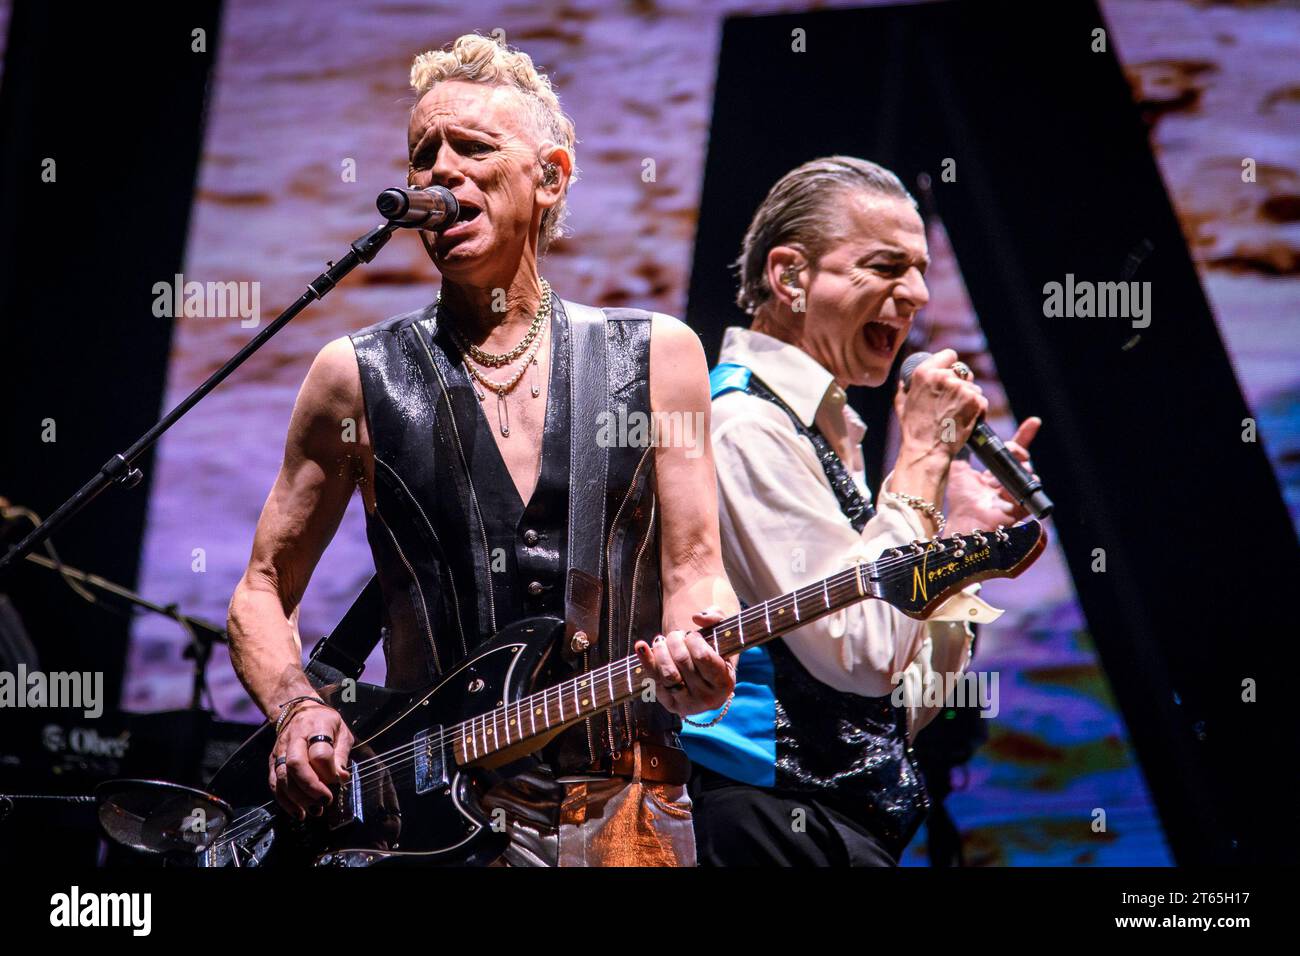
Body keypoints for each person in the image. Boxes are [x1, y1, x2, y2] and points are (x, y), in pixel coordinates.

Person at [226, 33, 738, 867]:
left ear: (550, 177)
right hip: (425, 824)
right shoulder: (353, 378)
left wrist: (701, 659)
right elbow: (259, 590)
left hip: (627, 813)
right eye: (423, 154)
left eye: (473, 147)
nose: (439, 172)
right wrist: (294, 708)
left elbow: (694, 571)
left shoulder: (659, 356)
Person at [682, 156, 1042, 865]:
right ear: (789, 277)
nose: (916, 294)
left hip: (836, 825)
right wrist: (924, 465)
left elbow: (898, 709)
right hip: (768, 819)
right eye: (886, 266)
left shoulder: (822, 429)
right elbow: (865, 657)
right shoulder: (745, 426)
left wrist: (959, 544)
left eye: (920, 270)